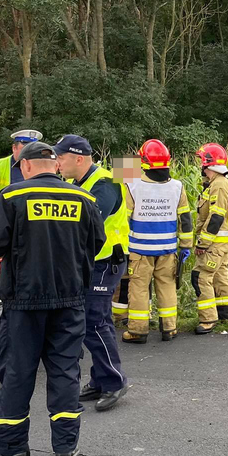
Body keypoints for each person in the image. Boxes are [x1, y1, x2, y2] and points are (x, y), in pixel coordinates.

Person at [0, 141, 105, 456]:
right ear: (55, 166)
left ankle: (12, 449)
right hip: (70, 300)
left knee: (17, 372)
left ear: (26, 166)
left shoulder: (12, 197)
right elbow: (97, 242)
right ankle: (65, 447)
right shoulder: (84, 199)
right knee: (65, 371)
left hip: (24, 304)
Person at [54, 135, 132, 412]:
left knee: (93, 322)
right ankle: (101, 379)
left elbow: (87, 222)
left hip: (106, 261)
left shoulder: (106, 183)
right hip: (92, 262)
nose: (57, 163)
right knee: (98, 321)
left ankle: (114, 381)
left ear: (79, 158)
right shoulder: (78, 183)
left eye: (60, 158)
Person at [121, 140, 193, 343]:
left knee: (139, 289)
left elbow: (123, 219)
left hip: (139, 249)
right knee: (167, 287)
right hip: (168, 249)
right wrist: (186, 246)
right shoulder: (178, 186)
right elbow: (185, 219)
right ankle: (169, 328)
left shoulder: (131, 184)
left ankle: (137, 331)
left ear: (142, 161)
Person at [192, 143, 228, 335]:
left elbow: (216, 217)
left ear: (207, 163)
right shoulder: (219, 183)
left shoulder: (218, 185)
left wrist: (203, 243)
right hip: (222, 244)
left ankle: (208, 319)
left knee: (201, 277)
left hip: (214, 243)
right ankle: (226, 315)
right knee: (220, 277)